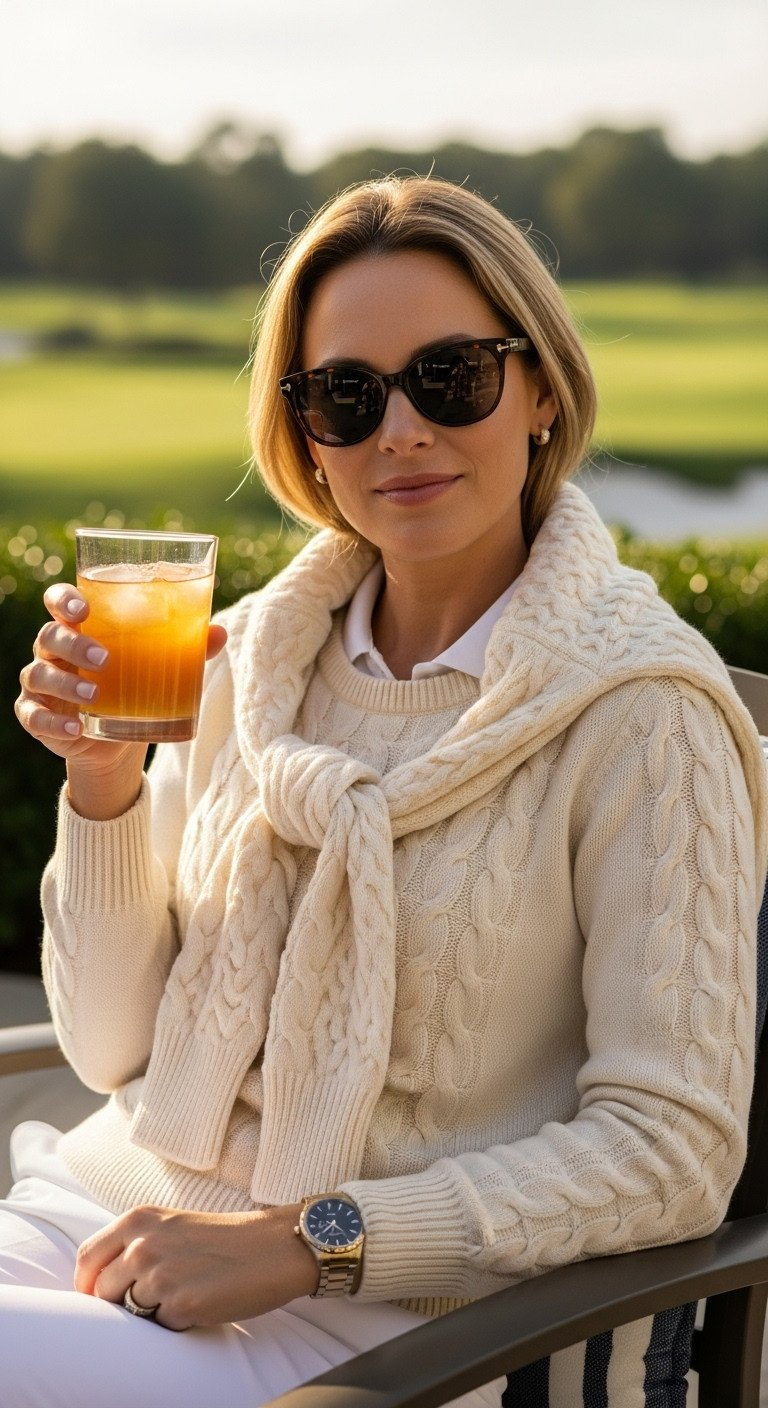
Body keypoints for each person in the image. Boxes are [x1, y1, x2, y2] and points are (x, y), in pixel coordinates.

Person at [5, 174, 768, 1408]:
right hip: (104, 1213)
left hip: (397, 1322)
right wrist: (103, 790)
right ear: (304, 434)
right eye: (346, 397)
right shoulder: (247, 661)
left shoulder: (644, 713)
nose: (399, 431)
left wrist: (312, 1240)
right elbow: (107, 1051)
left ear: (537, 387)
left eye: (450, 376)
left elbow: (671, 1154)